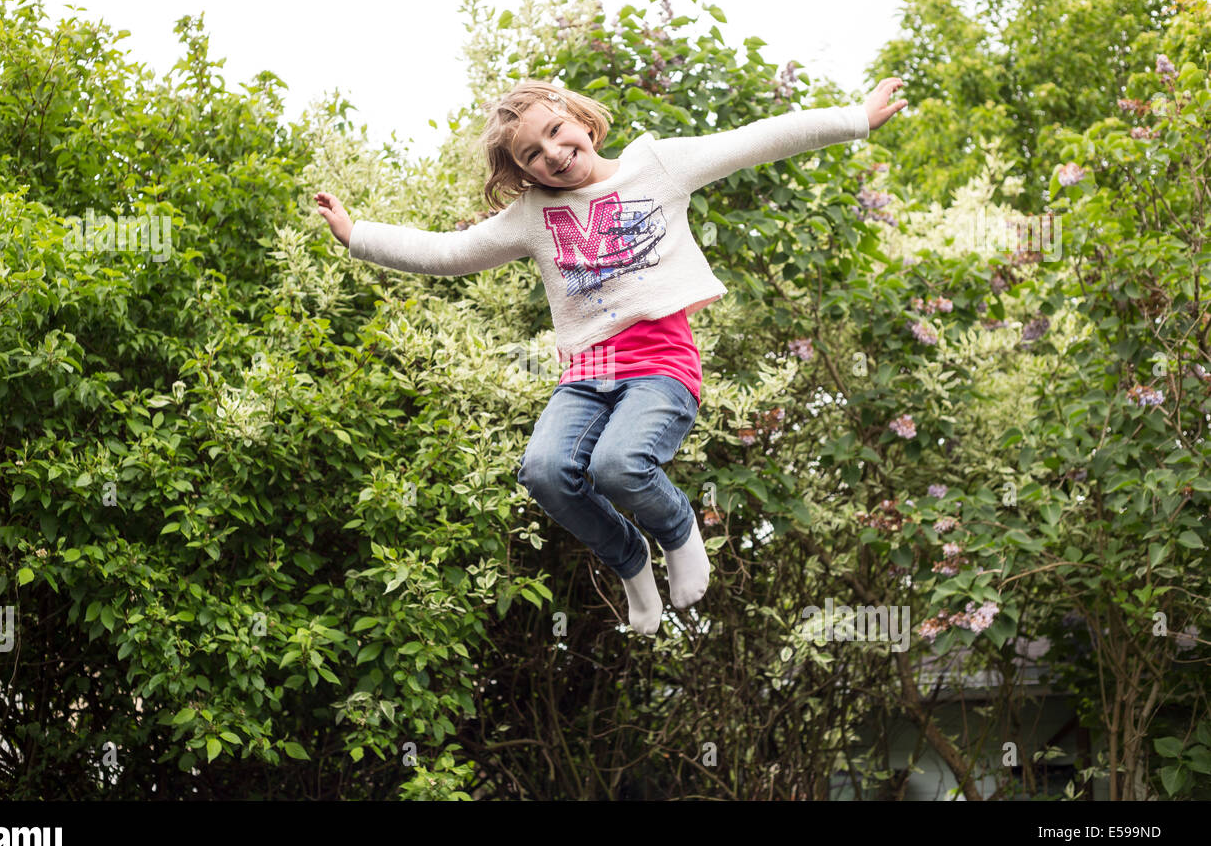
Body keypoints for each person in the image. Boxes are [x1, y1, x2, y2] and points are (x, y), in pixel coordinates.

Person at [316, 76, 906, 636]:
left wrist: (856, 118)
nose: (551, 153)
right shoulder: (533, 216)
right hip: (587, 377)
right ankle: (629, 562)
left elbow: (755, 141)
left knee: (618, 466)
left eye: (554, 132)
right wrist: (357, 235)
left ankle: (679, 533)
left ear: (579, 120)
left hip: (660, 368)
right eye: (530, 155)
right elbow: (450, 252)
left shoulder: (657, 166)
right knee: (545, 472)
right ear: (522, 173)